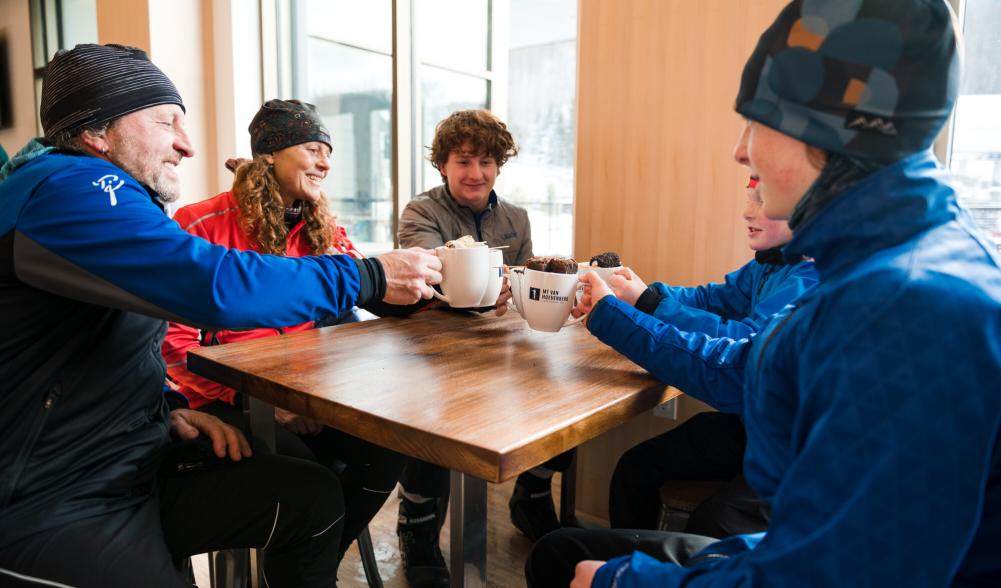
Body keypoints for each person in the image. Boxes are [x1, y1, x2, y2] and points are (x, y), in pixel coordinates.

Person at [526, 1, 1001, 586]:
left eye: (760, 122)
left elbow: (842, 574)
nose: (740, 151)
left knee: (566, 560)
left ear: (830, 132)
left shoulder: (905, 310)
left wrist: (624, 581)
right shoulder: (893, 259)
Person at [0, 44, 441, 588]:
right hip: (52, 496)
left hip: (130, 462)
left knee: (315, 497)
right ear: (97, 132)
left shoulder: (106, 201)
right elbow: (214, 285)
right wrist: (369, 276)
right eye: (167, 122)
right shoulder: (65, 187)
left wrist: (168, 407)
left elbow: (108, 343)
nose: (187, 144)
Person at [161, 99, 409, 567]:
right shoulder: (198, 223)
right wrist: (259, 404)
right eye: (313, 148)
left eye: (328, 152)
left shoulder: (323, 228)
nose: (326, 163)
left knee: (391, 448)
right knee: (306, 478)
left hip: (308, 396)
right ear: (271, 153)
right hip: (225, 400)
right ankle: (306, 566)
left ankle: (314, 565)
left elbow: (375, 287)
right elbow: (173, 342)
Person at [396, 108, 557, 587]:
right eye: (464, 161)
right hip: (432, 345)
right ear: (442, 164)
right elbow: (430, 276)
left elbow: (523, 283)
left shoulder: (517, 218)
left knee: (557, 397)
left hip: (500, 340)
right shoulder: (421, 212)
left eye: (486, 161)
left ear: (499, 166)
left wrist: (528, 289)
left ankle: (532, 495)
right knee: (430, 431)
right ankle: (418, 529)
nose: (476, 173)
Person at [606, 178, 816, 537]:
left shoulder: (809, 280)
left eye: (762, 201)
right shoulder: (769, 263)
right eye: (748, 198)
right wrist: (644, 291)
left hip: (791, 446)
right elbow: (712, 299)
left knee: (714, 521)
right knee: (634, 469)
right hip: (752, 424)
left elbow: (737, 342)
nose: (747, 211)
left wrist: (645, 306)